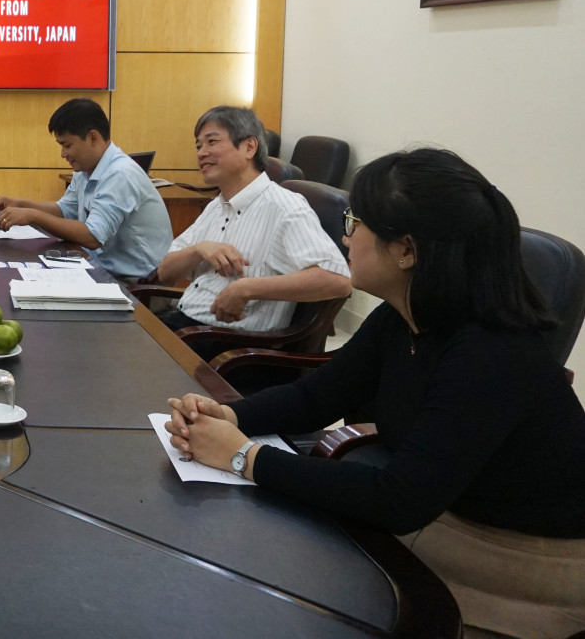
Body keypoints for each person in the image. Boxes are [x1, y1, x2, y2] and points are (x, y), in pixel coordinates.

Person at [164, 148, 585, 639]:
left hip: (523, 563)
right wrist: (231, 417)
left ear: (406, 250)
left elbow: (399, 500)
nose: (344, 236)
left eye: (354, 221)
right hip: (444, 515)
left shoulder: (491, 351)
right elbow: (317, 399)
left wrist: (244, 458)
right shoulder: (407, 314)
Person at [153, 106, 349, 342]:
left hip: (232, 343)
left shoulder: (285, 207)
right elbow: (164, 273)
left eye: (212, 142)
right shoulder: (217, 205)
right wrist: (199, 249)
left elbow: (338, 280)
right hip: (186, 323)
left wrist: (246, 288)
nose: (201, 153)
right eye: (198, 146)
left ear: (249, 147)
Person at [0, 97, 172, 279]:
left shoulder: (119, 174)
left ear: (92, 137)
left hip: (136, 284)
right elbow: (65, 211)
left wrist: (33, 216)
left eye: (67, 145)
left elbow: (92, 237)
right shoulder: (86, 169)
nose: (63, 154)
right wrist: (21, 204)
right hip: (102, 268)